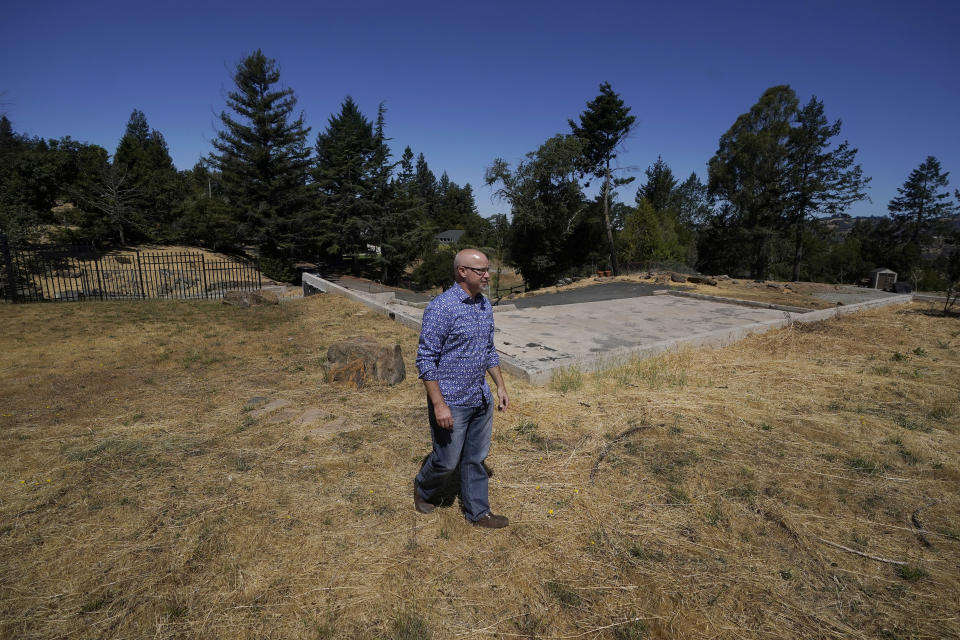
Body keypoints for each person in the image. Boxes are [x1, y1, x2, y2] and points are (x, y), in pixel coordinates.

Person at [413, 248, 510, 528]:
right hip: (451, 400)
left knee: (476, 458)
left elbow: (488, 350)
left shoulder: (484, 305)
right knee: (446, 462)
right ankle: (423, 487)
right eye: (481, 271)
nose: (487, 276)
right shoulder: (441, 308)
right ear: (462, 272)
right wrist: (439, 404)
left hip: (479, 397)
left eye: (488, 270)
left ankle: (478, 512)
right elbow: (426, 359)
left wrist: (500, 386)